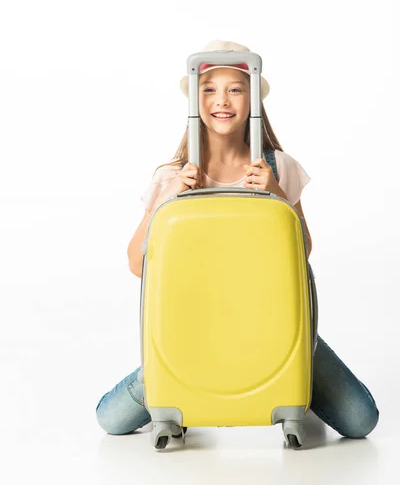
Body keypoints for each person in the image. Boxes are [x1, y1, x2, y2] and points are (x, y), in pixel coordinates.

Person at [95, 40, 379, 440]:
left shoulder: (280, 166)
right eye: (209, 89)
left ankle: (293, 388)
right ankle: (177, 383)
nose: (221, 100)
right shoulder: (170, 176)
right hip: (194, 328)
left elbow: (304, 252)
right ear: (195, 100)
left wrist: (278, 194)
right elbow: (137, 264)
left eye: (235, 88)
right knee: (111, 421)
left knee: (360, 421)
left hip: (274, 324)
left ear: (252, 100)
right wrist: (168, 198)